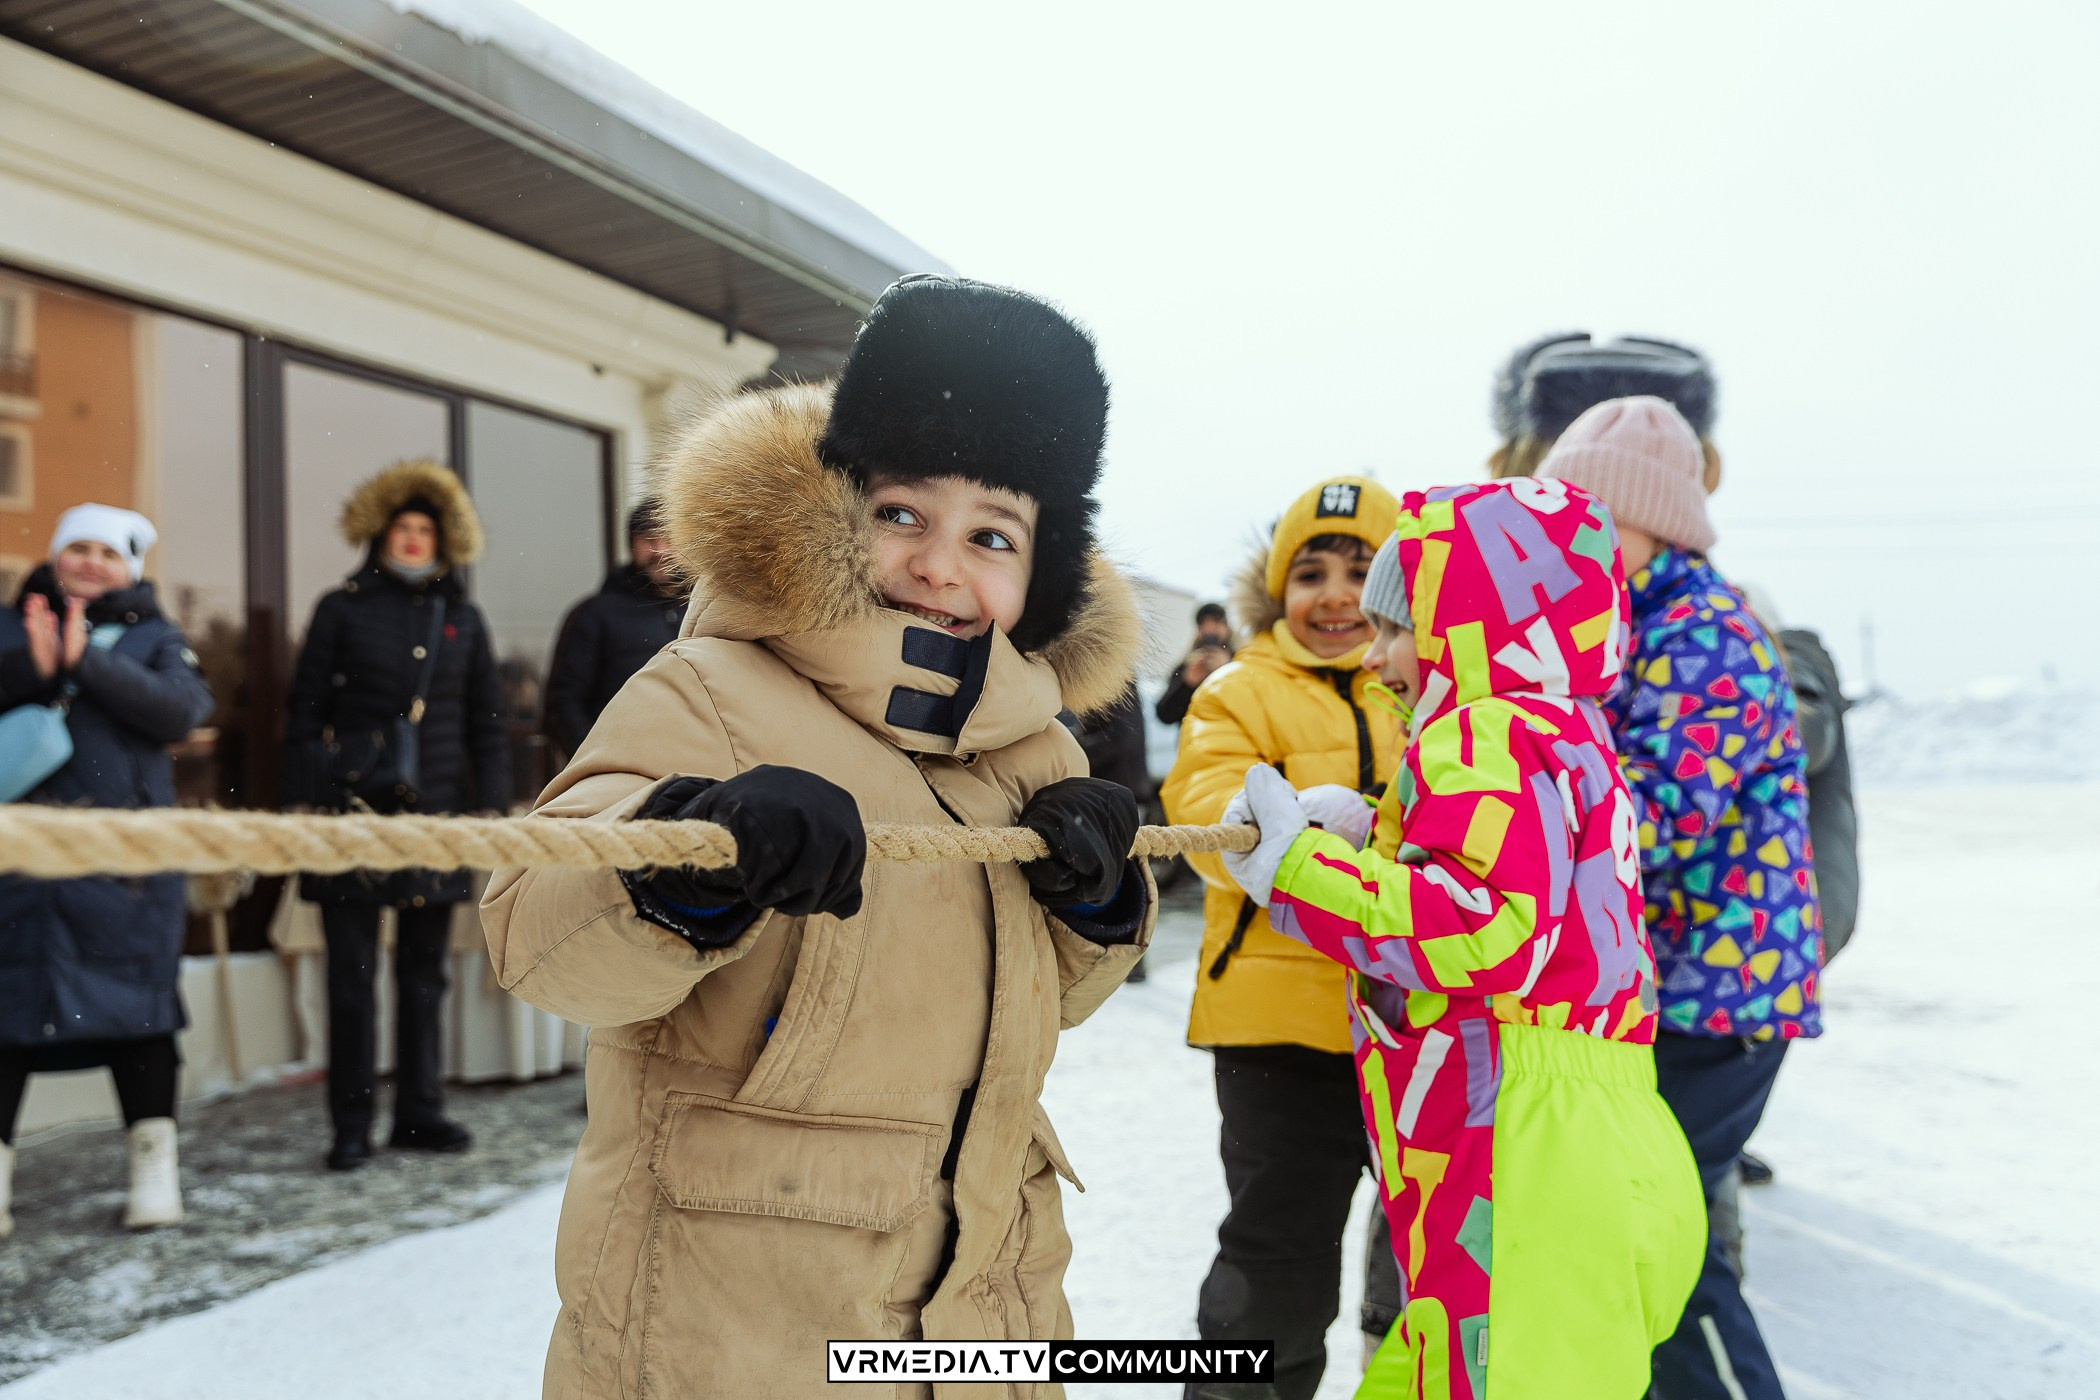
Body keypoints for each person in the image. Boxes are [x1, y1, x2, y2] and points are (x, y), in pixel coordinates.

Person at [481, 276, 1153, 1398]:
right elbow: (536, 938)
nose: (941, 563)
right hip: (737, 1317)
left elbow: (1049, 1003)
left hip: (988, 1302)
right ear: (836, 511)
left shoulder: (1038, 746)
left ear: (1041, 577)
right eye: (903, 513)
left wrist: (1096, 911)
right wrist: (689, 866)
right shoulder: (712, 686)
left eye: (993, 533)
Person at [1219, 479, 1705, 1400]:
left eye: (1402, 628)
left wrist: (1298, 872)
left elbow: (1482, 929)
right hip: (1601, 1127)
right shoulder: (1569, 735)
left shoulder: (1479, 733)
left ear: (1476, 626)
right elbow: (1528, 891)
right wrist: (1376, 839)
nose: (1378, 658)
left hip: (1519, 1150)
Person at [1535, 399, 1820, 1400]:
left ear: (1656, 520)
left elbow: (1647, 820)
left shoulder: (1705, 637)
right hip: (1670, 986)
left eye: (1590, 515)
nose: (1568, 535)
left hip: (1717, 995)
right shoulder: (1631, 625)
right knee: (1638, 1233)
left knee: (1666, 1238)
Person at [1160, 474, 1405, 1400]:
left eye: (1363, 570)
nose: (1337, 594)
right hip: (1277, 1029)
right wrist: (1286, 830)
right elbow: (1206, 805)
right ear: (1276, 591)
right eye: (1311, 573)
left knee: (1424, 1248)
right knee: (1276, 1248)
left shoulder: (1419, 685)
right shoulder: (1239, 689)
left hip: (1413, 1023)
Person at [283, 461, 511, 1171]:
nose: (413, 540)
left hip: (436, 815)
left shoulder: (464, 619)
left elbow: (486, 722)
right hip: (350, 814)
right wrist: (304, 799)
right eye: (402, 528)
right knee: (350, 979)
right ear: (380, 534)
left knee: (423, 975)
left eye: (425, 529)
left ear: (443, 540)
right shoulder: (340, 607)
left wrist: (491, 801)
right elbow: (304, 713)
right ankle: (350, 1124)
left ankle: (420, 1114)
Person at [0, 504, 214, 1233]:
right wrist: (35, 661)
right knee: (6, 1019)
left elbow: (179, 713)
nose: (91, 562)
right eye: (77, 548)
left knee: (141, 1021)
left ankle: (154, 1174)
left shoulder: (158, 636)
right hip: (19, 871)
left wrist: (83, 658)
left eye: (107, 553)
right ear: (56, 557)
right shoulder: (13, 623)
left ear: (131, 567)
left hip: (124, 873)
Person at [543, 497, 686, 761]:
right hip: (621, 771)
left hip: (699, 769)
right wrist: (594, 763)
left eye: (668, 538)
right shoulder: (595, 615)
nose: (659, 550)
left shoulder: (707, 611)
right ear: (632, 544)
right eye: (648, 540)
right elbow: (565, 704)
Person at [1156, 601, 1234, 726]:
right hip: (1193, 742)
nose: (1209, 628)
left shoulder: (1242, 662)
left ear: (1227, 626)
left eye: (1216, 621)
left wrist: (1228, 670)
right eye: (1202, 623)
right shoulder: (1187, 665)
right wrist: (1187, 685)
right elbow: (1165, 715)